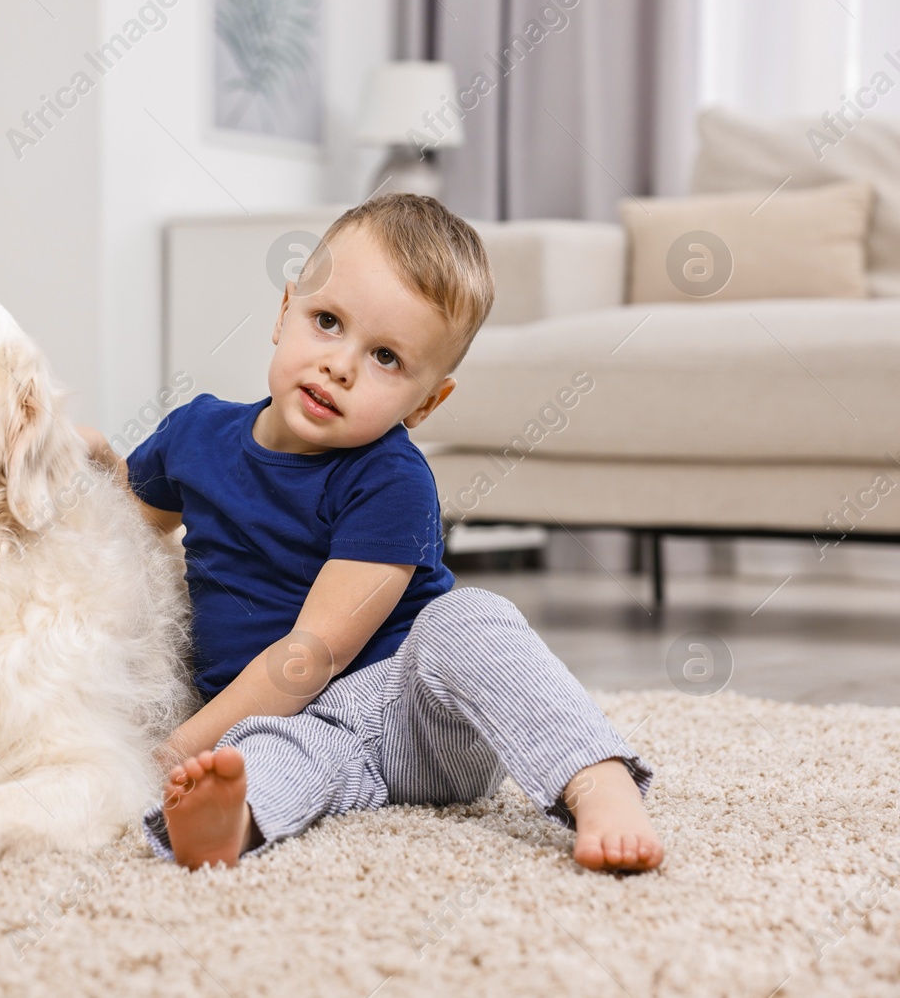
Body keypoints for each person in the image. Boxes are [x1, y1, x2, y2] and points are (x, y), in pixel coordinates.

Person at [77, 193, 662, 872]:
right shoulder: (195, 433)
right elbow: (128, 536)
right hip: (289, 721)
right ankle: (229, 816)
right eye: (327, 321)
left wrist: (174, 747)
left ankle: (596, 777)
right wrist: (95, 471)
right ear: (284, 310)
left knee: (467, 617)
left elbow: (313, 653)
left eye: (386, 357)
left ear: (426, 402)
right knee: (259, 755)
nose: (342, 365)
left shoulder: (389, 480)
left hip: (414, 711)